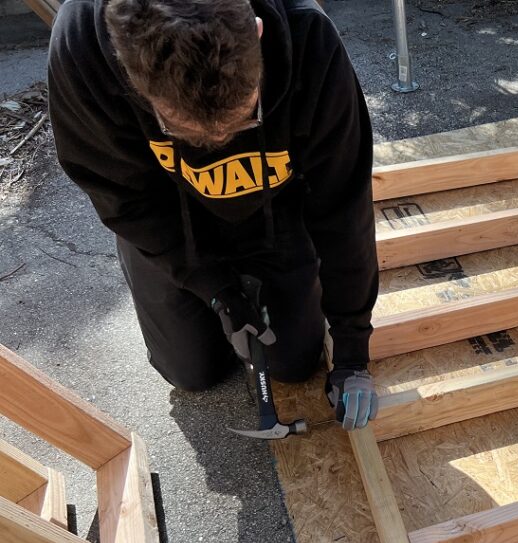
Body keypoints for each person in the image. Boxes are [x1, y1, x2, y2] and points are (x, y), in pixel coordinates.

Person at [47, 0, 380, 430]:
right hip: (166, 214)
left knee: (295, 361)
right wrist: (214, 288)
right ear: (126, 70)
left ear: (258, 33)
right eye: (178, 126)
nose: (219, 142)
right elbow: (124, 199)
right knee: (191, 374)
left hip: (272, 207)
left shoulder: (307, 36)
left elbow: (343, 206)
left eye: (244, 119)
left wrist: (353, 351)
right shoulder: (82, 48)